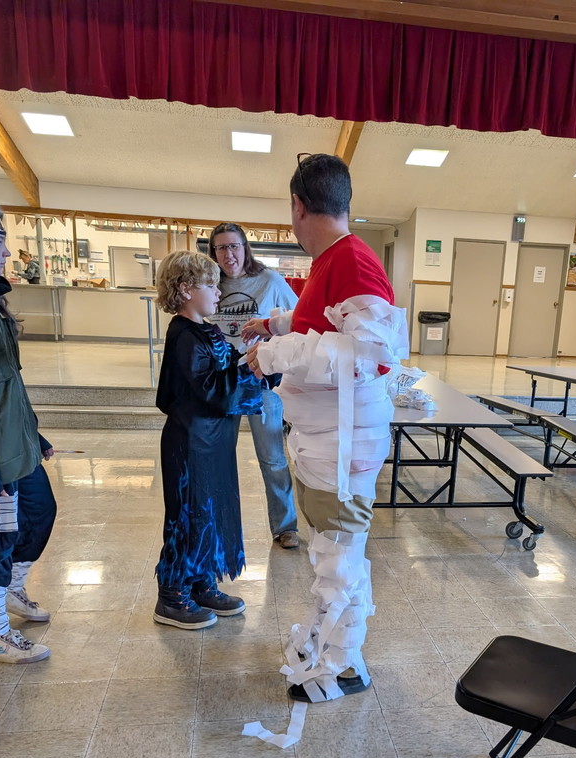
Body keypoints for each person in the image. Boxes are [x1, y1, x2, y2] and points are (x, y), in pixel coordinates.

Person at [244, 154, 408, 703]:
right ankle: (342, 657)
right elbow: (324, 321)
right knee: (337, 552)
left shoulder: (353, 260)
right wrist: (274, 325)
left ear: (297, 205)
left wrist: (276, 353)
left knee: (338, 556)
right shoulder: (333, 259)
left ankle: (342, 667)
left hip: (343, 443)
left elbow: (370, 355)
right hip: (328, 439)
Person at [153, 250, 263, 630]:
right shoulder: (183, 335)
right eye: (210, 285)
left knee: (209, 512)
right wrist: (253, 372)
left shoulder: (207, 329)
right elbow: (211, 388)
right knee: (189, 514)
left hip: (213, 441)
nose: (219, 292)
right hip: (190, 443)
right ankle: (172, 595)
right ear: (185, 289)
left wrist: (260, 360)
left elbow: (229, 365)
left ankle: (201, 582)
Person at [0, 197, 57, 664]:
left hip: (16, 441)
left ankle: (9, 589)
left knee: (41, 511)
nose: (7, 252)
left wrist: (34, 433)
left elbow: (6, 383)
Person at [208, 223, 299, 550]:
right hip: (221, 380)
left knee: (272, 456)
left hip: (261, 379)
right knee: (218, 455)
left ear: (245, 247)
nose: (228, 254)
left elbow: (299, 320)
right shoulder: (210, 282)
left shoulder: (270, 281)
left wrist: (271, 340)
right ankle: (216, 525)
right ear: (213, 252)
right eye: (221, 248)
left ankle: (286, 526)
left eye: (233, 246)